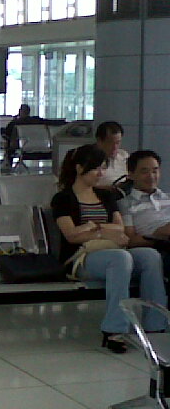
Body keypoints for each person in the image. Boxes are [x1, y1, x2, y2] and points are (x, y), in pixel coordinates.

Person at [52, 144, 168, 354]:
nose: (101, 173)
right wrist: (102, 232)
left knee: (149, 255)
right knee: (120, 258)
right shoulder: (63, 199)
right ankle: (114, 329)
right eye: (96, 168)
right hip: (82, 257)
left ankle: (156, 324)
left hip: (112, 250)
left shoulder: (107, 197)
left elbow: (120, 228)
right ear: (79, 169)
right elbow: (70, 235)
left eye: (103, 168)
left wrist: (91, 227)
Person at [119, 150, 170, 245]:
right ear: (131, 175)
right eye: (144, 172)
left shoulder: (168, 197)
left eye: (155, 171)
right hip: (158, 245)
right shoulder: (125, 204)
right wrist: (157, 235)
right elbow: (130, 240)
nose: (151, 176)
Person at [95, 121, 130, 188]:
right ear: (99, 141)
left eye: (118, 143)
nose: (115, 147)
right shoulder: (88, 159)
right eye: (110, 143)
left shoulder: (124, 156)